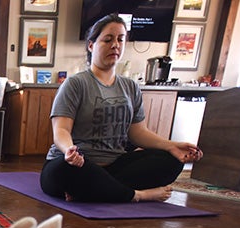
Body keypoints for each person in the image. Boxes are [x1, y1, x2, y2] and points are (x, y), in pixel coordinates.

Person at [39, 14, 203, 203]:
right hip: (78, 165)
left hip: (115, 165)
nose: (115, 45)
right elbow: (61, 130)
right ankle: (136, 195)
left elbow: (138, 133)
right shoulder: (75, 84)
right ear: (91, 45)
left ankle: (94, 191)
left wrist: (172, 145)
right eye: (108, 39)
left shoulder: (130, 87)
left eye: (120, 39)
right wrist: (69, 151)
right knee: (62, 171)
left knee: (171, 161)